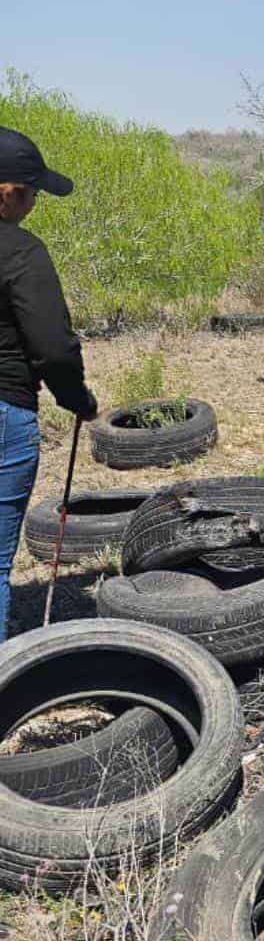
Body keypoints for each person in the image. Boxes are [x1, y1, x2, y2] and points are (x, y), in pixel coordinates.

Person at [0, 128, 97, 642]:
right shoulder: (19, 250)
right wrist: (77, 399)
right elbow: (54, 347)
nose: (35, 202)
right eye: (32, 191)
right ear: (6, 191)